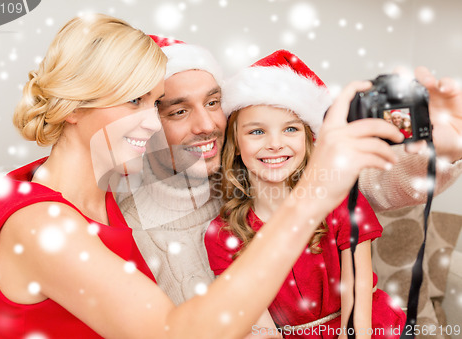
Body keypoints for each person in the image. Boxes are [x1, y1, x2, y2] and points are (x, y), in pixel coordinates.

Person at [0, 14, 402, 338]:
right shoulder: (39, 225)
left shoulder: (105, 192)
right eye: (134, 103)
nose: (150, 122)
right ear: (72, 108)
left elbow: (372, 188)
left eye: (154, 104)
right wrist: (307, 200)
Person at [118, 36, 462, 308]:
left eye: (212, 103)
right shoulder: (125, 223)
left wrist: (443, 148)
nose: (207, 124)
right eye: (178, 111)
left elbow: (377, 182)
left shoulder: (263, 173)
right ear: (146, 122)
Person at [204, 50, 405, 338]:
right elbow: (259, 326)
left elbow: (357, 296)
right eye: (257, 132)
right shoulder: (223, 234)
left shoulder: (342, 201)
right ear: (235, 143)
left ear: (308, 137)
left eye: (290, 129)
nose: (275, 144)